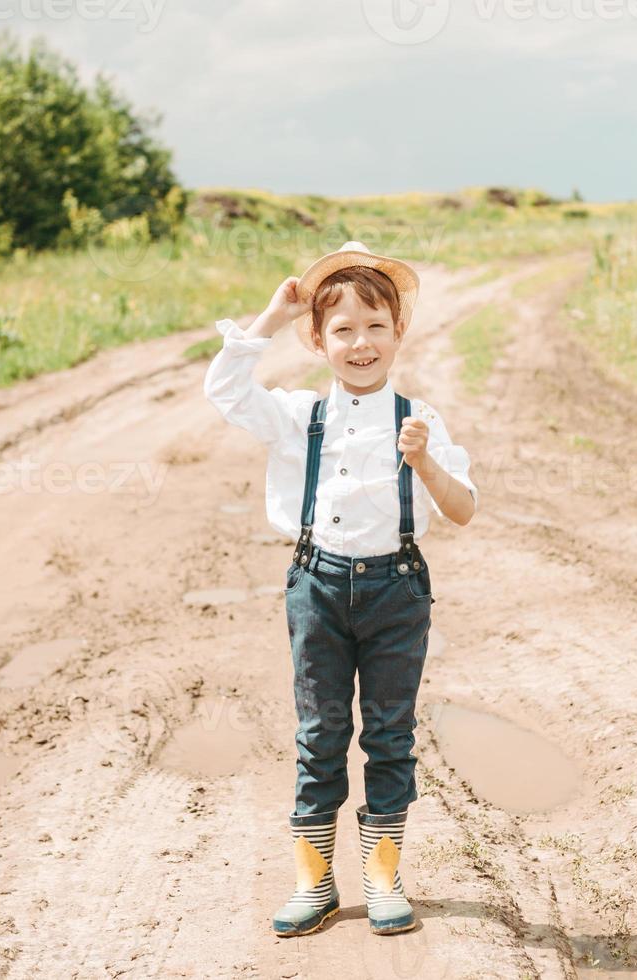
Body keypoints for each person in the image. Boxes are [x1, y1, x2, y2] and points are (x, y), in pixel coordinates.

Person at [203, 241, 478, 938]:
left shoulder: (418, 418)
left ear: (399, 333)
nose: (361, 344)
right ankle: (314, 882)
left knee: (389, 735)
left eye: (375, 326)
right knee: (320, 734)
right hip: (317, 588)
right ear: (319, 341)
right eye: (343, 330)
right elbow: (226, 392)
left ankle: (384, 877)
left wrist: (423, 463)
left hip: (396, 592)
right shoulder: (297, 417)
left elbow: (464, 506)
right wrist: (269, 317)